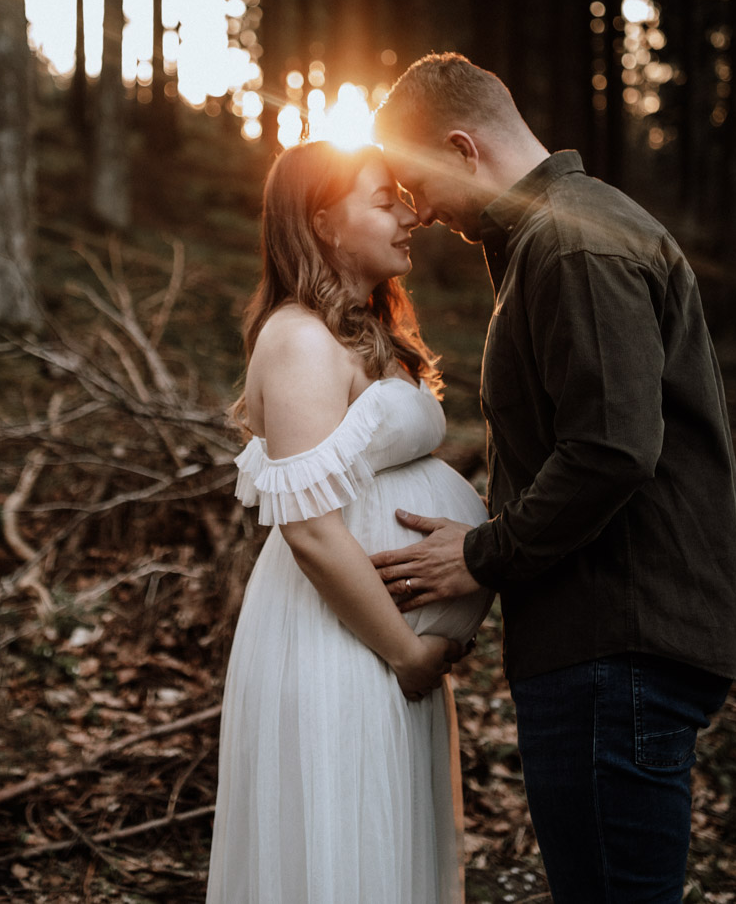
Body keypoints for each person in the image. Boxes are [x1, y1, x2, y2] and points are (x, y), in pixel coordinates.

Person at [367, 53, 736, 903]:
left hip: (617, 643)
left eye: (415, 180)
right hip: (608, 640)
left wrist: (481, 554)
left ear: (462, 148)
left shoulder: (571, 243)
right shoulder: (559, 233)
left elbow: (613, 448)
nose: (417, 210)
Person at [207, 140, 496, 904]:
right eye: (384, 200)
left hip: (379, 641)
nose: (410, 215)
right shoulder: (299, 337)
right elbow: (308, 527)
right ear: (325, 222)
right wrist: (408, 652)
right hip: (338, 638)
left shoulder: (368, 331)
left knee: (383, 848)